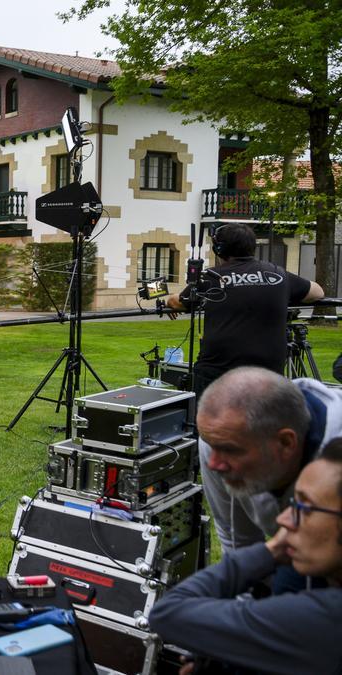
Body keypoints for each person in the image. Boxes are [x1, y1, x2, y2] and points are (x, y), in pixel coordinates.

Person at [149, 440, 342, 675]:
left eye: (305, 507)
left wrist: (270, 551)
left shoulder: (321, 619)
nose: (283, 520)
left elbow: (168, 613)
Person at [197, 367, 342, 558]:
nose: (214, 464)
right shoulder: (218, 439)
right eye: (212, 445)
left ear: (286, 443)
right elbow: (237, 541)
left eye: (231, 450)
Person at [166, 223, 322, 397]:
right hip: (268, 373)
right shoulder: (277, 273)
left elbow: (178, 302)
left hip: (218, 373)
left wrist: (168, 298)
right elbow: (317, 291)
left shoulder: (211, 277)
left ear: (219, 249)